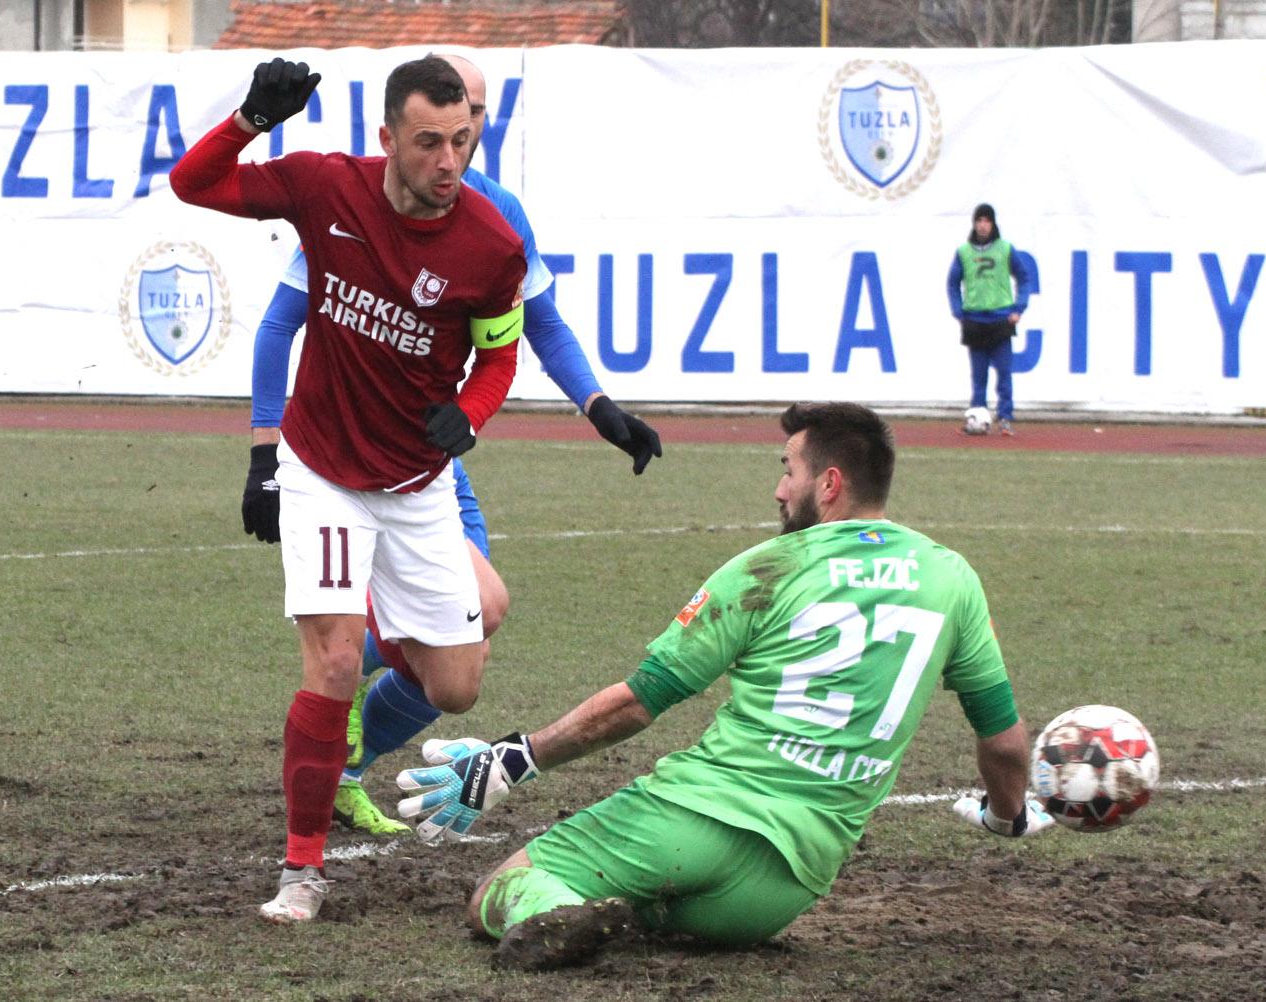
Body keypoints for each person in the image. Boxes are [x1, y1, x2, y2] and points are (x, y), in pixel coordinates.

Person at [394, 402, 1053, 969]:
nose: (777, 490)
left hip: (692, 820)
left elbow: (636, 703)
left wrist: (513, 760)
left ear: (829, 483)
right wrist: (1005, 815)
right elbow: (1002, 740)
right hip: (780, 890)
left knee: (501, 892)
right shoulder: (952, 578)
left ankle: (554, 910)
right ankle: (613, 916)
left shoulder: (769, 568)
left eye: (786, 470)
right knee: (645, 917)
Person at [240, 54, 664, 837]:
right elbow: (278, 324)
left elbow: (538, 327)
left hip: (432, 458)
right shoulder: (364, 200)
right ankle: (344, 707)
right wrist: (264, 453)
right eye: (444, 118)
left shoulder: (497, 219)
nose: (454, 143)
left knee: (472, 638)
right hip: (344, 455)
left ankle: (351, 752)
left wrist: (600, 407)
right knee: (473, 612)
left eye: (472, 119)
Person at [170, 54, 529, 924]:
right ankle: (302, 869)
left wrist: (471, 413)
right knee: (330, 660)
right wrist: (251, 119)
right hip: (323, 468)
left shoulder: (492, 246)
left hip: (416, 485)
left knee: (456, 687)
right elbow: (194, 183)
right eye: (430, 143)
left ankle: (367, 628)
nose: (450, 162)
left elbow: (499, 354)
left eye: (463, 141)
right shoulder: (327, 188)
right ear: (388, 140)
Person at [947, 204, 1030, 436]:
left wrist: (1018, 308)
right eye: (979, 221)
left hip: (1000, 319)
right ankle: (978, 418)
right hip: (974, 320)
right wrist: (958, 310)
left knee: (1004, 373)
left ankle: (1004, 418)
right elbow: (953, 282)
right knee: (979, 375)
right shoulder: (964, 252)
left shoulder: (1005, 249)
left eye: (987, 221)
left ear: (993, 224)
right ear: (974, 224)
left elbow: (1024, 278)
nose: (982, 225)